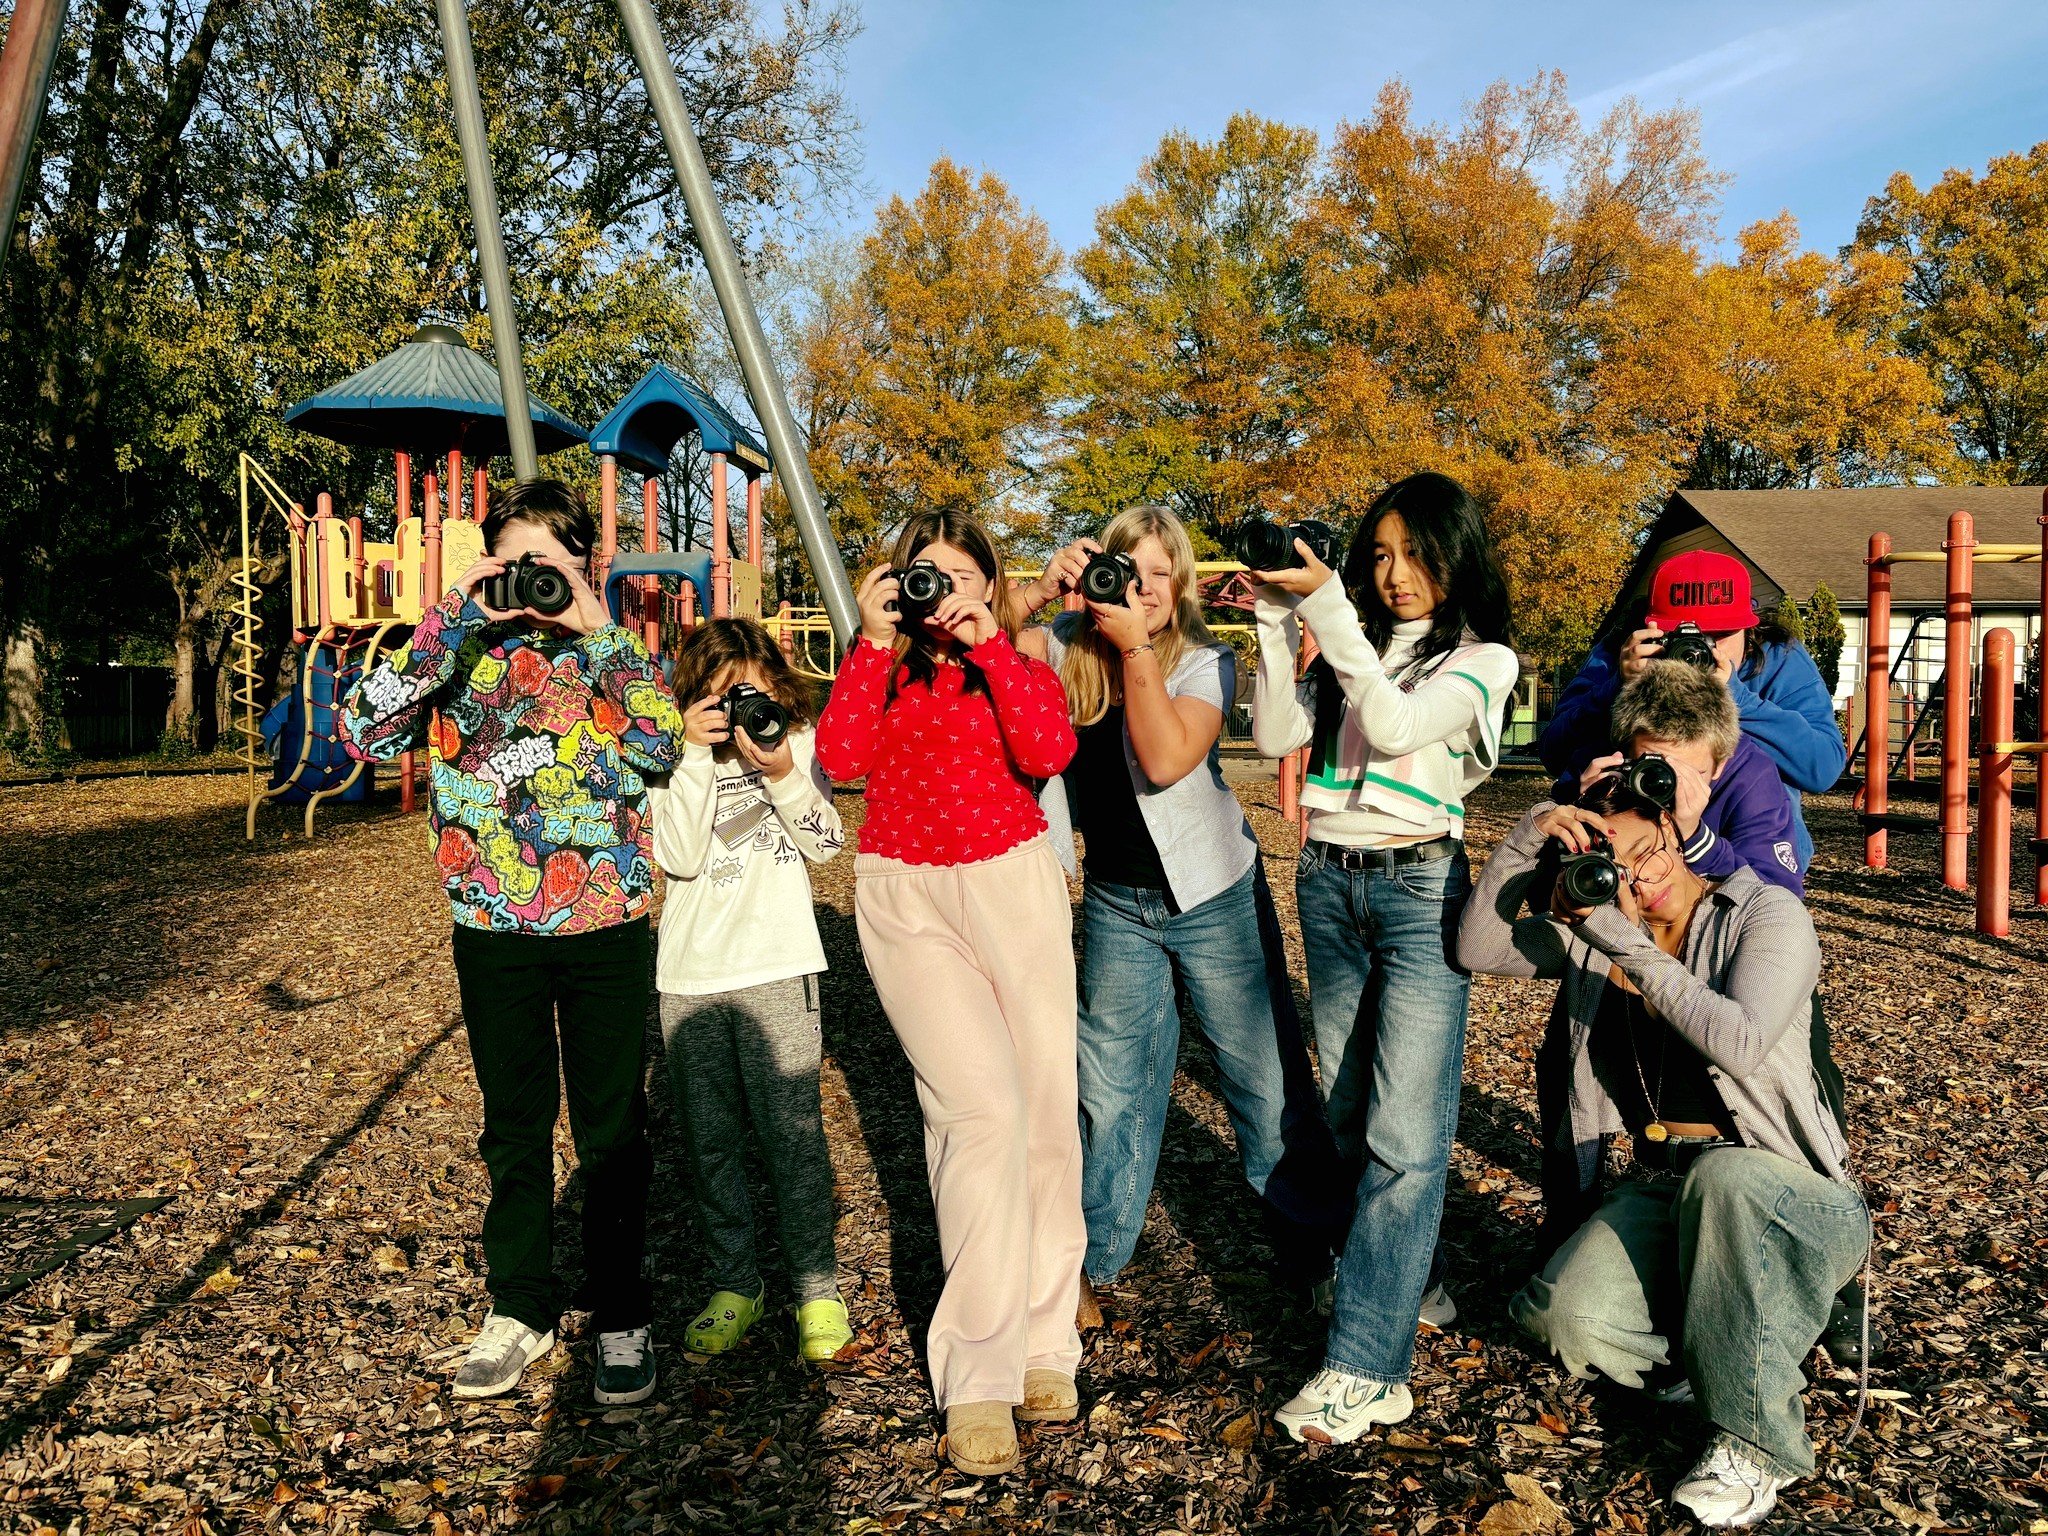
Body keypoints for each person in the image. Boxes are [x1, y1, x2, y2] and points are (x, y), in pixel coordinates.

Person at [340, 478, 682, 1407]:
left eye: (549, 562)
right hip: (493, 924)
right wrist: (450, 618)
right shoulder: (455, 651)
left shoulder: (610, 654)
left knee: (613, 1131)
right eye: (515, 562)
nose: (529, 581)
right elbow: (364, 730)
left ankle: (621, 1314)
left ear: (580, 565)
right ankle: (520, 1308)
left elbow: (663, 745)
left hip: (606, 920)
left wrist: (591, 623)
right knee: (515, 1129)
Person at [1457, 772, 1868, 1529]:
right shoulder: (1591, 934)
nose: (1636, 884)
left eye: (1645, 856)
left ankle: (1755, 1442)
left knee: (1726, 1179)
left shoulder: (1764, 914)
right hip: (1666, 1189)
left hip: (1788, 1193)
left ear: (1675, 836)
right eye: (1612, 868)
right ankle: (1731, 1352)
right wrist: (1529, 833)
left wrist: (1619, 937)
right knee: (1564, 1320)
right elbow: (1477, 947)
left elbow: (1739, 1043)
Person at [1016, 506, 1346, 1319]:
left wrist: (1133, 647)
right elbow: (974, 645)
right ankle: (1093, 1265)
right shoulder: (1065, 643)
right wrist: (1035, 589)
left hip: (1211, 895)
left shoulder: (1205, 661)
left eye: (1164, 574)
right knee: (1112, 1088)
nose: (1147, 588)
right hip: (1116, 902)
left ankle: (1314, 1255)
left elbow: (1164, 761)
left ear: (1184, 584)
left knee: (1263, 1085)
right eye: (1133, 569)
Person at [1249, 472, 1520, 1444]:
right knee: (1355, 1111)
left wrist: (1325, 607)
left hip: (1415, 894)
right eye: (1378, 555)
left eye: (1415, 553)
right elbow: (1276, 734)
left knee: (1405, 1136)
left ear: (1455, 557)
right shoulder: (1348, 640)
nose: (1394, 574)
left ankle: (1367, 1369)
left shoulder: (1486, 659)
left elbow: (1400, 727)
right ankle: (1410, 1272)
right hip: (1326, 880)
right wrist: (1279, 630)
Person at [814, 510, 1081, 1478]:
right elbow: (839, 761)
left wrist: (992, 642)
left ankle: (1047, 1341)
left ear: (987, 583)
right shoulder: (877, 661)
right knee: (978, 1113)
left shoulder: (1013, 656)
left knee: (1047, 1112)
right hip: (904, 895)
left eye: (958, 575)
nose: (939, 593)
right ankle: (976, 1372)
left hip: (1012, 879)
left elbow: (1048, 751)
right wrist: (873, 643)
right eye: (920, 576)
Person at [646, 618, 852, 1365]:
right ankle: (736, 1283)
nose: (739, 713)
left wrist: (782, 769)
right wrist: (696, 753)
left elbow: (828, 847)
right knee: (710, 1145)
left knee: (793, 1140)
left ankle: (817, 1289)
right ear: (695, 700)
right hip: (693, 975)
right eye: (721, 697)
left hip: (779, 966)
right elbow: (677, 855)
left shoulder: (795, 748)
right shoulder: (673, 760)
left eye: (752, 695)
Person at [1539, 550, 1845, 874]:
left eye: (1722, 634)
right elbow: (1554, 754)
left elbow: (1822, 767)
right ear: (1650, 626)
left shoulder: (1776, 656)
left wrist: (1736, 697)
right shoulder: (1622, 652)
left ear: (1748, 626)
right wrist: (1616, 685)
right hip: (1632, 839)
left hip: (1748, 840)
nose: (1701, 649)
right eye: (1681, 635)